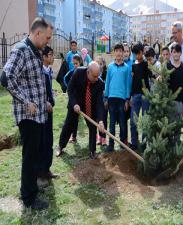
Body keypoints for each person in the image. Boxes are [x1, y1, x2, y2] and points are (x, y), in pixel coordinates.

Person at [3, 17, 53, 210]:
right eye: (47, 37)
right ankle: (29, 198)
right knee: (30, 156)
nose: (48, 41)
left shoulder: (36, 50)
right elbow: (6, 77)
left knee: (35, 153)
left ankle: (31, 188)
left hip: (39, 113)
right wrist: (25, 101)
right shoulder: (21, 50)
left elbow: (35, 81)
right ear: (37, 33)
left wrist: (45, 101)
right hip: (28, 116)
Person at [56, 62, 105, 159]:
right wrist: (74, 104)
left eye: (98, 76)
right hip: (76, 103)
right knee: (68, 124)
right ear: (88, 72)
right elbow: (70, 89)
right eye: (94, 76)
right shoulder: (78, 72)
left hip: (89, 105)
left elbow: (100, 103)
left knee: (92, 126)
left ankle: (92, 151)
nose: (97, 79)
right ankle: (61, 146)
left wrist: (100, 120)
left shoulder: (100, 83)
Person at [104, 44, 131, 152]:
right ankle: (111, 145)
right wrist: (106, 98)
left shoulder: (126, 68)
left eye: (121, 51)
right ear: (114, 53)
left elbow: (128, 84)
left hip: (122, 100)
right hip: (111, 99)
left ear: (123, 53)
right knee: (112, 123)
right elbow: (107, 83)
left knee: (122, 122)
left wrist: (127, 99)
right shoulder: (110, 67)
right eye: (117, 51)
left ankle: (122, 143)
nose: (119, 53)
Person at [38, 45, 58, 181]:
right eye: (50, 54)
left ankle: (46, 169)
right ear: (44, 57)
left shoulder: (48, 71)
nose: (52, 57)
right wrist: (45, 101)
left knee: (49, 139)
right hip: (42, 111)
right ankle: (40, 170)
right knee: (43, 140)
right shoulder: (40, 72)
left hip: (50, 110)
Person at [130, 43, 151, 151]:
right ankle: (134, 142)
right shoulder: (133, 65)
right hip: (135, 95)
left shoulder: (146, 64)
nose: (137, 56)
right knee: (134, 120)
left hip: (146, 95)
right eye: (135, 54)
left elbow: (152, 75)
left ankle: (143, 143)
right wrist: (130, 96)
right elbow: (132, 82)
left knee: (145, 120)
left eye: (138, 53)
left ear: (142, 52)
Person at [167, 44, 183, 141]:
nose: (176, 54)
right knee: (171, 121)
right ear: (171, 54)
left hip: (180, 99)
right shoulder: (168, 66)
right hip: (170, 99)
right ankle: (170, 141)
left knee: (178, 121)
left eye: (178, 52)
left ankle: (177, 141)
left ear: (180, 53)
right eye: (174, 52)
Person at [63, 54, 81, 143]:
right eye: (73, 64)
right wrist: (69, 87)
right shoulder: (71, 72)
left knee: (76, 118)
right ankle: (70, 136)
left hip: (79, 99)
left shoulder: (82, 72)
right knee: (70, 119)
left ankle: (74, 136)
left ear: (80, 63)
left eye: (76, 63)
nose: (75, 65)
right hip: (72, 99)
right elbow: (65, 78)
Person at [95, 56, 108, 146]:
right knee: (97, 120)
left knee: (103, 119)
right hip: (96, 101)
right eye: (97, 63)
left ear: (103, 65)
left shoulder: (106, 74)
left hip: (104, 101)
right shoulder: (94, 74)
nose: (99, 65)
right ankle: (98, 138)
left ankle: (103, 138)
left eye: (101, 64)